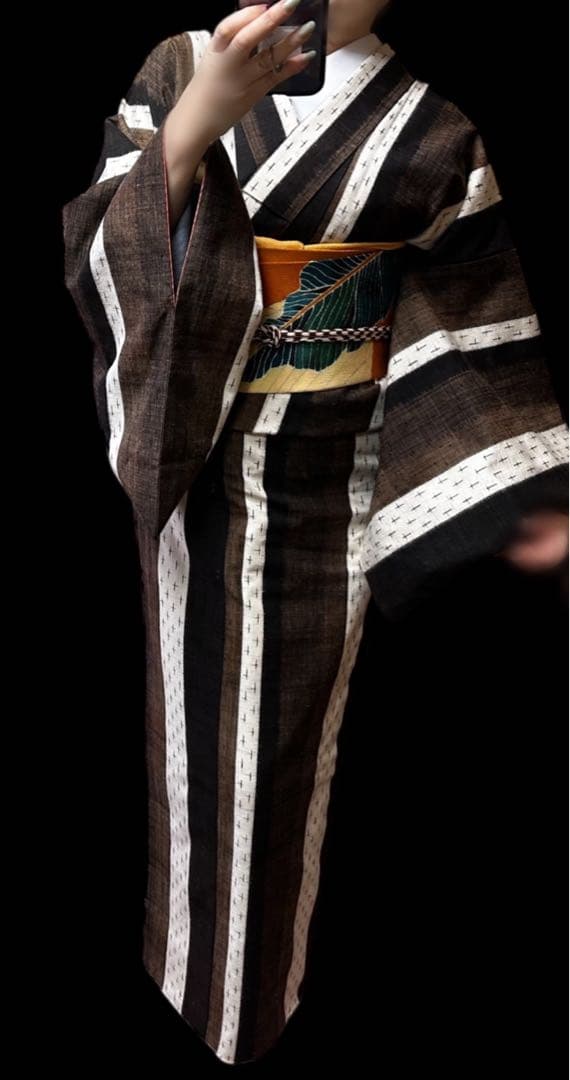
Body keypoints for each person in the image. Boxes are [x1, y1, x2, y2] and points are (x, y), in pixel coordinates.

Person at [61, 0, 569, 1064]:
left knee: (290, 760)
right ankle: (197, 989)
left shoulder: (434, 128)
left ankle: (254, 1000)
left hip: (339, 476)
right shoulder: (177, 63)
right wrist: (200, 116)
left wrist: (522, 495)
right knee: (197, 749)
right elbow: (101, 251)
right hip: (201, 464)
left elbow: (468, 309)